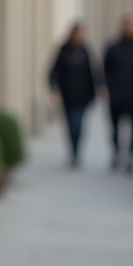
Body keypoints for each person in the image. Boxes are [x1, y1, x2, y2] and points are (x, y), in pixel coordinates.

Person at [103, 13, 133, 173]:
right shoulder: (113, 47)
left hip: (132, 96)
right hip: (115, 95)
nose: (130, 28)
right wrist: (106, 88)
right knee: (115, 128)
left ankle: (131, 158)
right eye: (128, 25)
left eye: (132, 25)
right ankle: (116, 153)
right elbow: (105, 69)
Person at [49, 22, 98, 167]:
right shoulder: (63, 51)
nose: (80, 36)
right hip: (67, 95)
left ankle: (77, 152)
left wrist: (98, 90)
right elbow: (53, 72)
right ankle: (73, 152)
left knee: (79, 125)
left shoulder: (86, 51)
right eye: (78, 33)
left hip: (83, 96)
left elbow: (93, 72)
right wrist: (54, 89)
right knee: (71, 125)